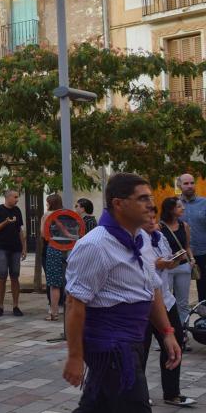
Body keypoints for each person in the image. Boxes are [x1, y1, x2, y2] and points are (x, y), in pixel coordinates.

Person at [63, 173, 182, 412]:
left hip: (133, 339)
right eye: (142, 198)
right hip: (110, 346)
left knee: (98, 406)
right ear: (119, 203)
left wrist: (167, 331)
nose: (151, 204)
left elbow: (151, 288)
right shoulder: (94, 245)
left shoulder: (141, 239)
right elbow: (74, 304)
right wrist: (75, 356)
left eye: (150, 197)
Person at [140, 211, 196, 407]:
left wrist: (172, 261)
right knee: (141, 349)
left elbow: (164, 261)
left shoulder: (159, 237)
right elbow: (142, 266)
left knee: (174, 342)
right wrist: (159, 263)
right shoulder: (136, 238)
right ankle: (139, 394)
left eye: (155, 218)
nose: (154, 222)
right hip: (144, 300)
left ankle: (171, 392)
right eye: (149, 218)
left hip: (165, 298)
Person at [0, 189, 26, 317]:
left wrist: (24, 247)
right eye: (15, 197)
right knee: (2, 275)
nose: (17, 199)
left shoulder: (17, 211)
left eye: (17, 197)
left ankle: (16, 306)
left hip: (15, 248)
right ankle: (0, 306)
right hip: (1, 248)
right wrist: (5, 222)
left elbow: (20, 230)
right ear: (7, 197)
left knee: (15, 276)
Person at [159, 197, 193, 328]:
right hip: (167, 268)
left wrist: (192, 259)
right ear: (170, 209)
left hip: (183, 266)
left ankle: (183, 332)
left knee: (183, 303)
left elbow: (187, 246)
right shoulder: (159, 227)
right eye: (179, 206)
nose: (183, 208)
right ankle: (164, 335)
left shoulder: (184, 226)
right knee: (165, 302)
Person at [177, 173, 206, 304]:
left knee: (204, 290)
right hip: (181, 255)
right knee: (178, 292)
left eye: (192, 183)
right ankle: (179, 321)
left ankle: (203, 321)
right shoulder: (174, 205)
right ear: (179, 186)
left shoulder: (204, 203)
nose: (189, 186)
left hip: (203, 253)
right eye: (186, 183)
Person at [43, 193, 66, 321]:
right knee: (69, 281)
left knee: (54, 283)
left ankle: (54, 313)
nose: (46, 205)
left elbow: (43, 234)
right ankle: (69, 310)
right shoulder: (66, 214)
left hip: (54, 248)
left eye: (47, 202)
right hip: (68, 249)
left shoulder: (47, 215)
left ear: (50, 203)